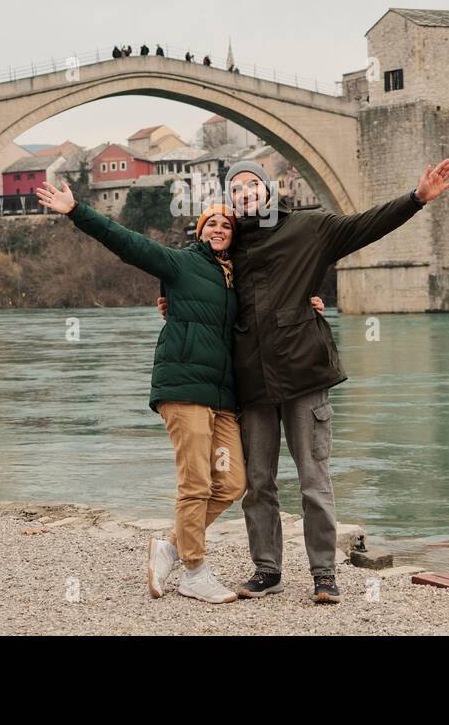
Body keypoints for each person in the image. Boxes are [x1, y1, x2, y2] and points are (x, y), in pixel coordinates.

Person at [160, 157, 449, 604]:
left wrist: (415, 199)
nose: (244, 195)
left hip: (304, 372)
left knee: (313, 480)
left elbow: (366, 226)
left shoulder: (309, 228)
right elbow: (190, 274)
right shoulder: (228, 245)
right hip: (252, 382)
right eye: (235, 189)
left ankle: (324, 573)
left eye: (251, 186)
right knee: (257, 483)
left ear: (268, 189)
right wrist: (170, 300)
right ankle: (267, 570)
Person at [35, 180, 327, 604]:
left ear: (234, 234)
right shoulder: (178, 264)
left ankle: (170, 546)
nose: (219, 229)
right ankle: (194, 570)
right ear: (200, 230)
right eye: (212, 224)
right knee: (194, 484)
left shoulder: (237, 281)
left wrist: (308, 302)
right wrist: (77, 210)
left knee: (231, 483)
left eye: (227, 225)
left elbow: (279, 290)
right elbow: (127, 243)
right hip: (185, 392)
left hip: (223, 401)